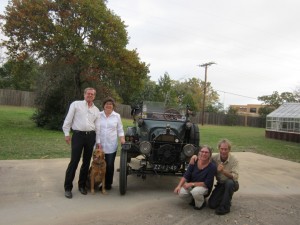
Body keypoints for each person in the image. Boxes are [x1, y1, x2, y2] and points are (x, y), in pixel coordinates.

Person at [62, 87, 101, 199]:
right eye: (88, 94)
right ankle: (68, 188)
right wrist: (66, 133)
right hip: (78, 135)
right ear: (84, 95)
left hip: (91, 137)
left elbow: (97, 127)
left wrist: (98, 142)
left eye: (92, 94)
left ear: (94, 96)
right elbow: (68, 119)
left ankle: (82, 185)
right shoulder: (76, 104)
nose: (90, 96)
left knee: (86, 162)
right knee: (74, 161)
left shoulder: (96, 110)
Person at [190, 139, 239, 215]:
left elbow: (235, 176)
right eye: (221, 149)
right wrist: (194, 156)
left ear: (229, 149)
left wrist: (223, 171)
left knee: (229, 183)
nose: (223, 151)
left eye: (226, 149)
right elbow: (204, 155)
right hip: (220, 184)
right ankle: (225, 197)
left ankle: (225, 207)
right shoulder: (214, 158)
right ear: (219, 148)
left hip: (232, 183)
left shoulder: (234, 160)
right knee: (212, 205)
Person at [99, 97, 125, 190]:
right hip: (99, 145)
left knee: (109, 165)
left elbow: (120, 129)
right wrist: (97, 142)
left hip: (111, 145)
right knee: (98, 165)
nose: (108, 105)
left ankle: (107, 184)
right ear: (104, 105)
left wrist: (122, 138)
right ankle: (97, 182)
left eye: (110, 104)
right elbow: (96, 129)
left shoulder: (116, 116)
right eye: (107, 104)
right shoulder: (99, 115)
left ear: (113, 106)